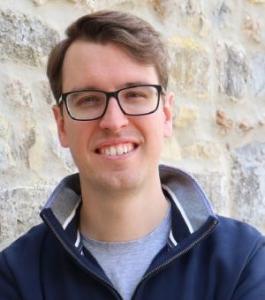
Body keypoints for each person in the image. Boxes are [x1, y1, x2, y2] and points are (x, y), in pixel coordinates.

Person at [0, 10, 264, 300]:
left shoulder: (244, 263)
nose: (114, 121)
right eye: (88, 100)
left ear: (166, 114)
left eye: (135, 94)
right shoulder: (17, 275)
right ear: (61, 124)